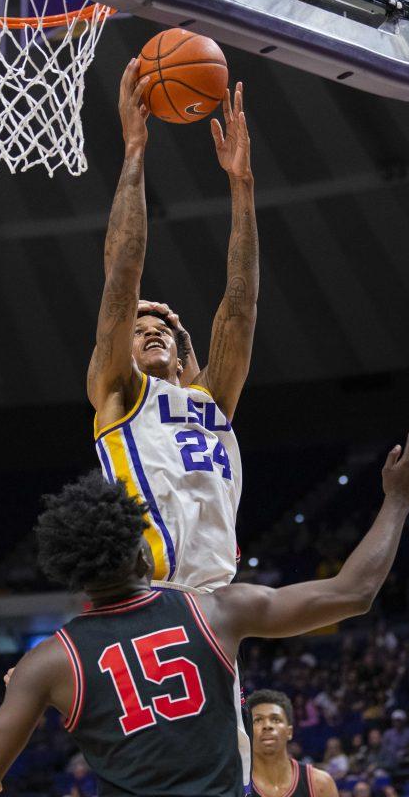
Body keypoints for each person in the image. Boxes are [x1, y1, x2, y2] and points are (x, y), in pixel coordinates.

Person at [0, 433, 409, 797]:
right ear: (143, 556)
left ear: (74, 574)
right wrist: (397, 501)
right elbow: (354, 592)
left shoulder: (50, 662)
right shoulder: (215, 609)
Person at [88, 60, 259, 595]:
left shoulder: (212, 400)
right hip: (148, 589)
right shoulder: (118, 392)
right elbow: (123, 274)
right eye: (138, 329)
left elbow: (241, 304)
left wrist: (241, 185)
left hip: (216, 599)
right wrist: (135, 147)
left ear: (188, 357)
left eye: (162, 325)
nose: (151, 329)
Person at [247, 690, 338, 797]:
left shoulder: (320, 784)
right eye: (258, 720)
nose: (267, 726)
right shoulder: (233, 784)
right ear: (247, 732)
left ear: (289, 732)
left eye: (275, 720)